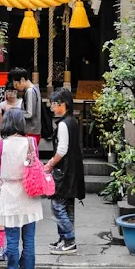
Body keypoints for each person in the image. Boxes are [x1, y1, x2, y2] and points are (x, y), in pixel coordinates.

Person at [0, 108, 43, 269]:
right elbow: (35, 166)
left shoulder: (0, 145)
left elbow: (0, 169)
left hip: (9, 194)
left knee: (12, 239)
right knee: (29, 239)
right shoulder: (31, 142)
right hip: (29, 193)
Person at [44, 88, 85, 255]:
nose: (52, 107)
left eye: (54, 104)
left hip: (64, 170)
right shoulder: (72, 121)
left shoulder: (63, 124)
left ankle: (69, 240)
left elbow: (61, 150)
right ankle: (64, 239)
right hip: (73, 170)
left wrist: (50, 164)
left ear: (63, 104)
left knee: (57, 206)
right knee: (67, 206)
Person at [8, 68, 41, 145]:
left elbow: (29, 114)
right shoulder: (34, 89)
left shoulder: (30, 91)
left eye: (16, 84)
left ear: (22, 80)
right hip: (33, 132)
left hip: (31, 132)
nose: (16, 87)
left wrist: (14, 113)